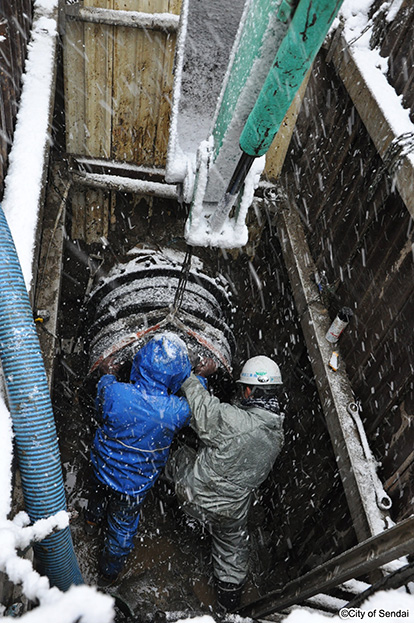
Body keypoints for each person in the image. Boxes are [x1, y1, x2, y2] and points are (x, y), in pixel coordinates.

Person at [168, 355, 285, 613]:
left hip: (194, 495)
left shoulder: (234, 422)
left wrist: (193, 377)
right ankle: (227, 607)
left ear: (247, 390)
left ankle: (181, 512)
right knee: (233, 549)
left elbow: (201, 408)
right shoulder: (277, 434)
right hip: (231, 512)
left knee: (177, 455)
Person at [85, 332, 192, 584]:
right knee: (122, 526)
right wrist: (202, 379)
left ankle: (91, 521)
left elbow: (101, 403)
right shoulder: (175, 411)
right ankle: (109, 573)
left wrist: (108, 372)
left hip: (102, 468)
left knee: (97, 495)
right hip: (133, 487)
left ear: (140, 363)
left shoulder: (116, 393)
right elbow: (195, 406)